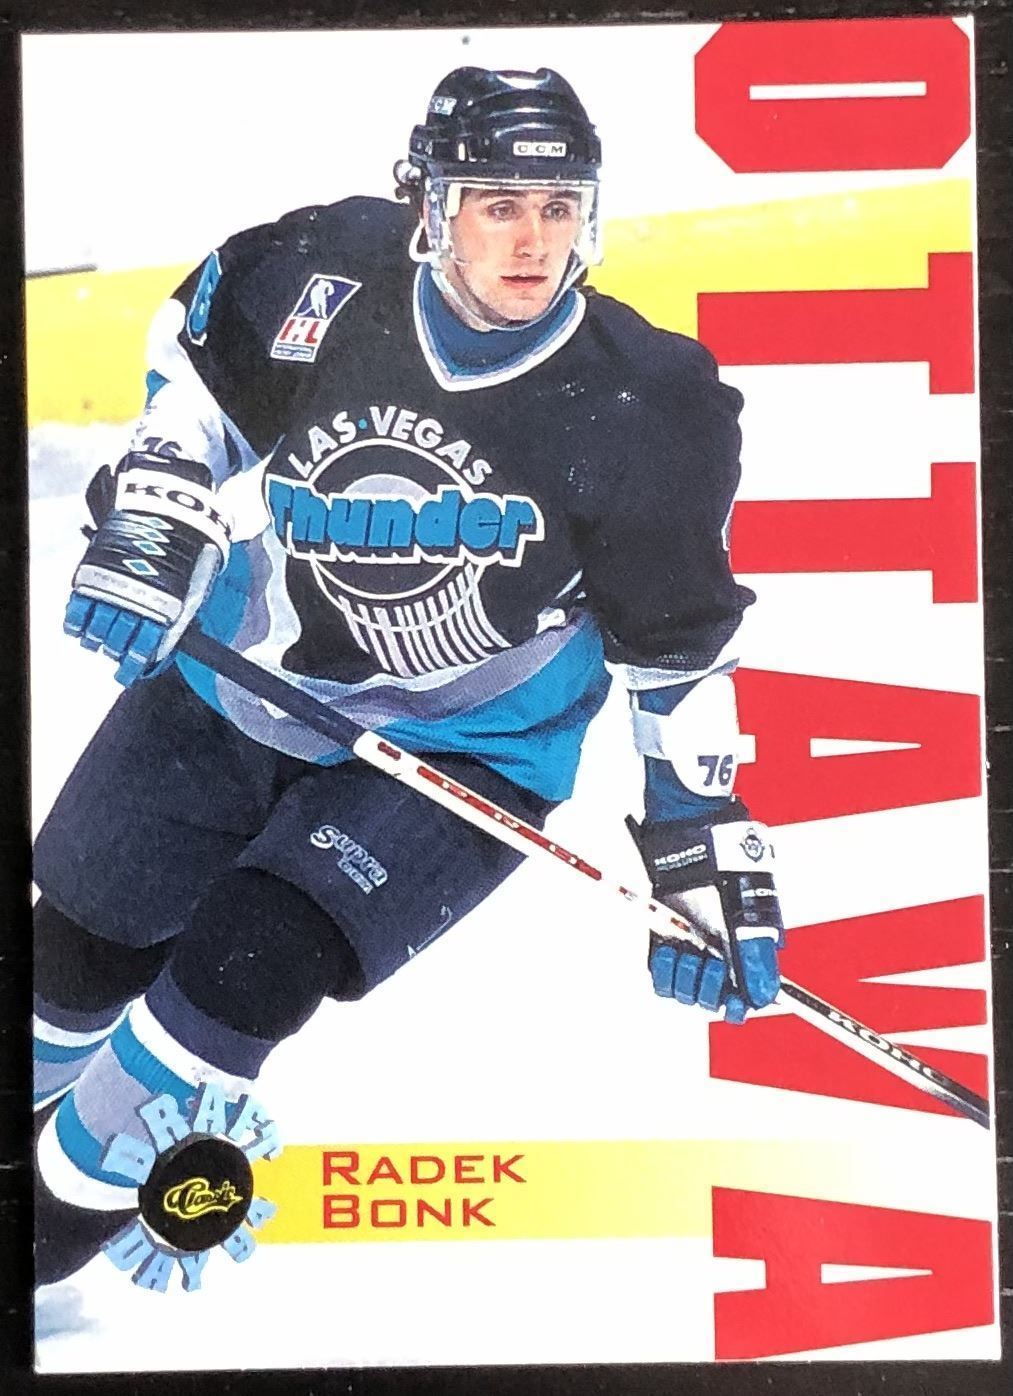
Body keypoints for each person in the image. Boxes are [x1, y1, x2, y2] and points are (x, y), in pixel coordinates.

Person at [32, 66, 783, 1285]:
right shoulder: (322, 274)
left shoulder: (647, 401)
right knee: (76, 954)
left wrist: (698, 835)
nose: (533, 241)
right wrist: (160, 504)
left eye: (558, 206)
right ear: (430, 205)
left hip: (459, 755)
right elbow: (201, 389)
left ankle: (32, 1252)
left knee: (241, 971)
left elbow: (674, 645)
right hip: (241, 681)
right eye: (499, 204)